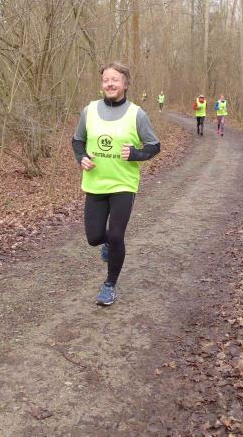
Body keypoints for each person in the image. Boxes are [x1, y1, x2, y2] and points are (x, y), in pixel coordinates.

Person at [72, 62, 161, 306]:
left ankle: (109, 285)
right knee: (94, 237)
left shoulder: (137, 114)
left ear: (125, 84)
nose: (110, 84)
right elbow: (78, 140)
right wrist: (81, 157)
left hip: (123, 184)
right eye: (106, 80)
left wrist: (135, 154)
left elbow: (154, 146)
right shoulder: (89, 111)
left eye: (115, 80)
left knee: (116, 234)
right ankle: (108, 244)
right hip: (95, 183)